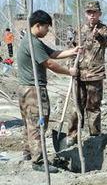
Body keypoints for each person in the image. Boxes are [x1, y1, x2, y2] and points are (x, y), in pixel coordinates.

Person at [17, 10, 80, 172]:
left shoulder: (33, 40)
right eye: (46, 27)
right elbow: (49, 63)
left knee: (29, 123)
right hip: (33, 90)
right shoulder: (33, 43)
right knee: (38, 123)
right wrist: (69, 72)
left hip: (25, 88)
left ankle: (28, 153)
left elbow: (53, 53)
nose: (47, 31)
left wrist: (72, 52)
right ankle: (38, 161)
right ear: (38, 26)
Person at [67, 1, 107, 146]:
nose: (92, 15)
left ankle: (94, 135)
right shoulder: (79, 30)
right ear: (86, 14)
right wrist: (70, 67)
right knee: (76, 106)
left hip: (95, 74)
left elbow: (106, 42)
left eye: (94, 12)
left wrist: (98, 35)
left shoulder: (105, 30)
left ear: (99, 14)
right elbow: (72, 50)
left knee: (93, 107)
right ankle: (72, 135)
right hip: (79, 74)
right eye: (89, 12)